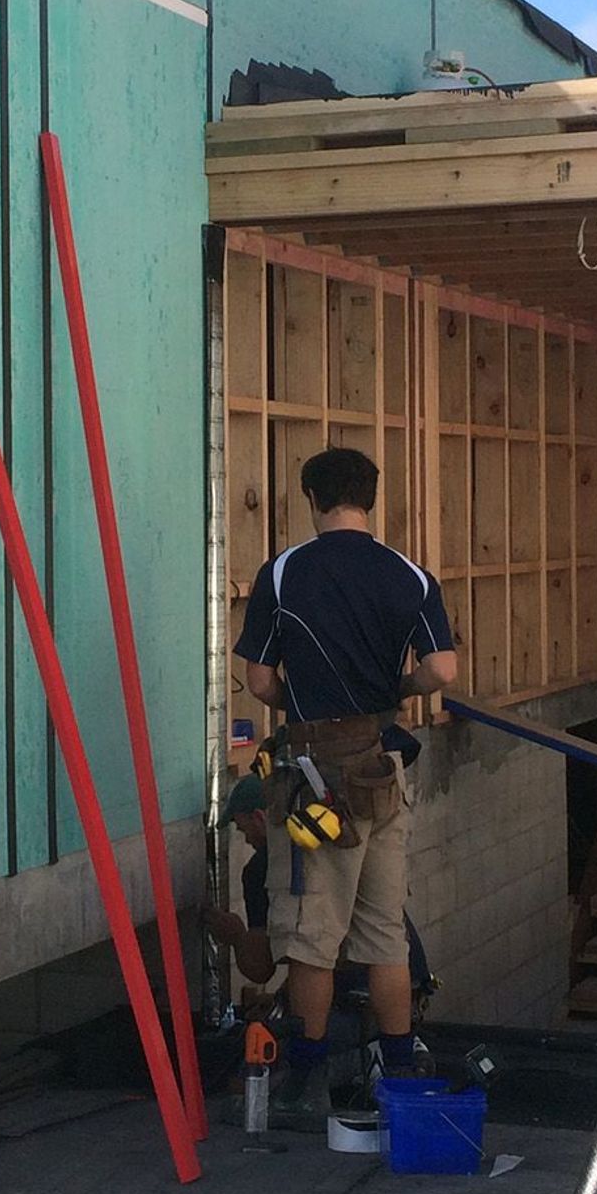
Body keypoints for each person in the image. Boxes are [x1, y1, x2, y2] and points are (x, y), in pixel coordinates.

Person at [235, 446, 457, 1127]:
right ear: (372, 497)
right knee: (384, 932)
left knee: (311, 937)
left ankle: (307, 1078)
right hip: (381, 769)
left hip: (316, 780)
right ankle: (400, 1071)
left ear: (310, 498)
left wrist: (300, 698)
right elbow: (442, 669)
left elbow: (260, 681)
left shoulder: (285, 571)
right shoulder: (409, 576)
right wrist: (398, 688)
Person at [203, 772, 433, 1004]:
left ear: (260, 818)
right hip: (406, 990)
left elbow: (261, 968)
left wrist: (236, 936)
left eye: (244, 830)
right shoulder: (337, 849)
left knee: (299, 1024)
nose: (246, 840)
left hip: (354, 1001)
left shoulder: (263, 866)